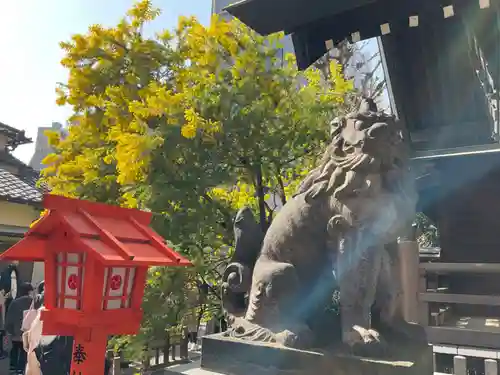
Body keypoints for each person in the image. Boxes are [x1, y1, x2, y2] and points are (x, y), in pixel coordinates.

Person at [5, 282, 34, 374]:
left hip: (15, 333)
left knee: (14, 349)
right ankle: (21, 369)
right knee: (23, 351)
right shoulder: (33, 302)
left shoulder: (14, 302)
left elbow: (9, 317)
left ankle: (12, 367)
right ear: (29, 291)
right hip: (27, 333)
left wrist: (9, 330)